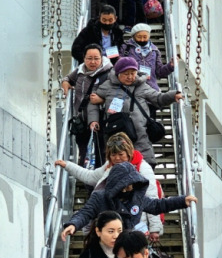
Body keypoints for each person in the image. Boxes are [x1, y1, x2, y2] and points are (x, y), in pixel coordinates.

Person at [55, 132, 163, 241]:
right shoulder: (109, 167)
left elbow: (152, 198)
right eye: (113, 155)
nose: (117, 158)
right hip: (109, 224)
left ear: (129, 152)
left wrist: (155, 229)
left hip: (134, 224)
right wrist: (67, 165)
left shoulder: (143, 168)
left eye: (121, 154)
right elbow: (90, 176)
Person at [61, 161, 197, 241]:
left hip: (129, 244)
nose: (127, 189)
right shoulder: (100, 197)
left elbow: (157, 205)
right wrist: (73, 224)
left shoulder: (137, 197)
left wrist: (182, 201)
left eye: (130, 185)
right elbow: (85, 213)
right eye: (123, 186)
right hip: (104, 244)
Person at [86, 56, 183, 166]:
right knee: (117, 169)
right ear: (118, 73)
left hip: (140, 133)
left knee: (144, 167)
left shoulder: (142, 86)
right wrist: (93, 120)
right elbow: (92, 102)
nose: (130, 77)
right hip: (116, 135)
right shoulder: (108, 86)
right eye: (126, 74)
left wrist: (173, 95)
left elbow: (158, 98)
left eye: (133, 73)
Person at [62, 44, 112, 167]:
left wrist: (101, 99)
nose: (93, 62)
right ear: (84, 58)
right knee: (84, 152)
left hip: (101, 120)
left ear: (102, 58)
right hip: (82, 119)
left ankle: (99, 180)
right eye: (89, 58)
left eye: (96, 58)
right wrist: (66, 84)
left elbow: (116, 93)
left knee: (100, 151)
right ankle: (87, 181)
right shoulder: (80, 71)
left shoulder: (109, 73)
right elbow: (68, 78)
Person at [120, 23, 174, 92]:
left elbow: (160, 72)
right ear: (133, 36)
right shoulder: (125, 48)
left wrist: (170, 66)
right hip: (131, 89)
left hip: (151, 89)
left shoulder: (155, 50)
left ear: (149, 36)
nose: (142, 40)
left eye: (145, 37)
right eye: (139, 37)